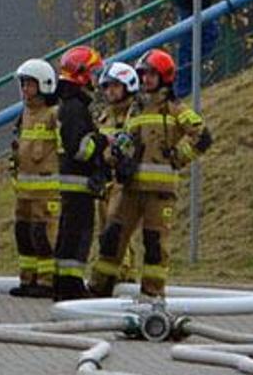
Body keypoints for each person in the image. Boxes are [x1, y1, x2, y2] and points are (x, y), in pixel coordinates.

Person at [97, 49, 213, 300]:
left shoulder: (174, 109)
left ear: (164, 76)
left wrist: (178, 156)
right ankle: (99, 289)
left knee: (154, 245)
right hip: (130, 188)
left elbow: (202, 136)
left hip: (160, 194)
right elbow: (125, 141)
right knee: (112, 239)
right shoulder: (135, 110)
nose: (146, 79)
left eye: (151, 74)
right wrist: (117, 157)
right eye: (143, 74)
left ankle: (152, 295)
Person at [51, 46, 108, 301]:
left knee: (69, 234)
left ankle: (65, 284)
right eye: (93, 72)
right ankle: (70, 287)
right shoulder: (75, 108)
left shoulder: (69, 104)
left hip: (72, 182)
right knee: (77, 236)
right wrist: (101, 141)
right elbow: (80, 149)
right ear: (81, 74)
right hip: (77, 183)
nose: (96, 78)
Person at [6, 59, 60, 298]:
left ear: (44, 85)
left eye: (29, 84)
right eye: (23, 84)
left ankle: (47, 281)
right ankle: (27, 279)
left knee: (43, 235)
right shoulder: (25, 114)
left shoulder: (54, 114)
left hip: (47, 191)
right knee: (23, 233)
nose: (25, 90)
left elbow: (64, 149)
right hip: (24, 191)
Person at [87, 61, 140, 295]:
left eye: (115, 87)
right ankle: (110, 276)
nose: (110, 92)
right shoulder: (104, 117)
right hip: (105, 181)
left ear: (128, 86)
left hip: (124, 181)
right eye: (107, 87)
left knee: (117, 230)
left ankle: (124, 275)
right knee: (104, 230)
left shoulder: (135, 115)